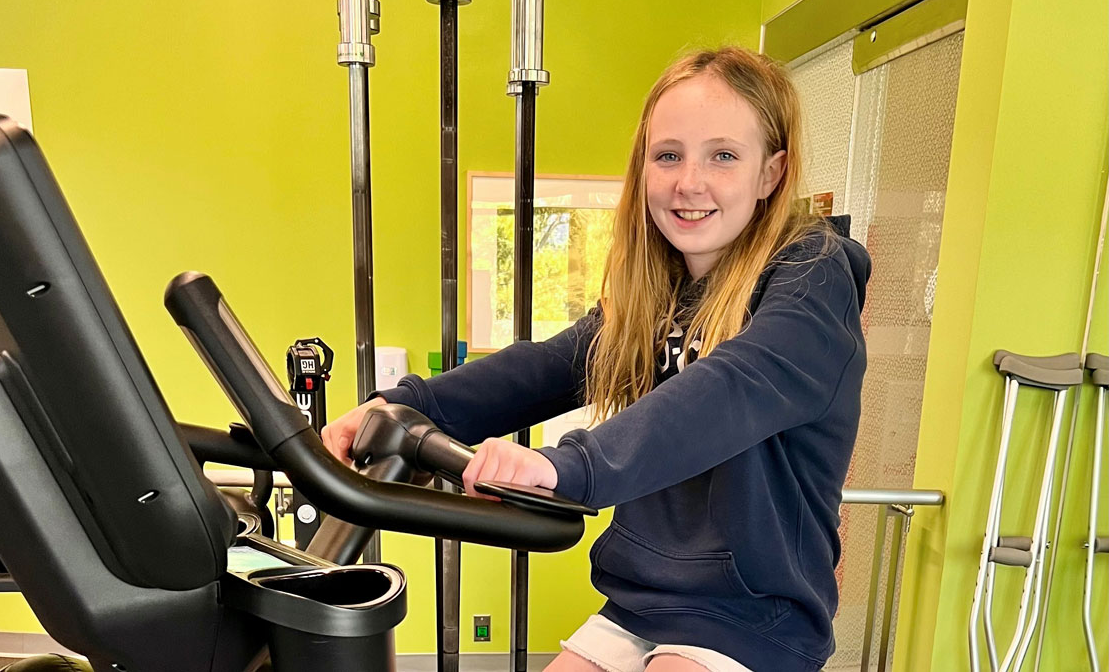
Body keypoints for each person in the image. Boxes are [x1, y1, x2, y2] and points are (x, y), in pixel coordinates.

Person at [323, 47, 870, 672]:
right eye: (668, 156)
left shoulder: (812, 275)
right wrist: (399, 405)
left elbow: (733, 387)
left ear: (771, 172)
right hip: (639, 603)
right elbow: (542, 369)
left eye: (723, 155)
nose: (689, 182)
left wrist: (568, 466)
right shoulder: (655, 295)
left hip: (754, 616)